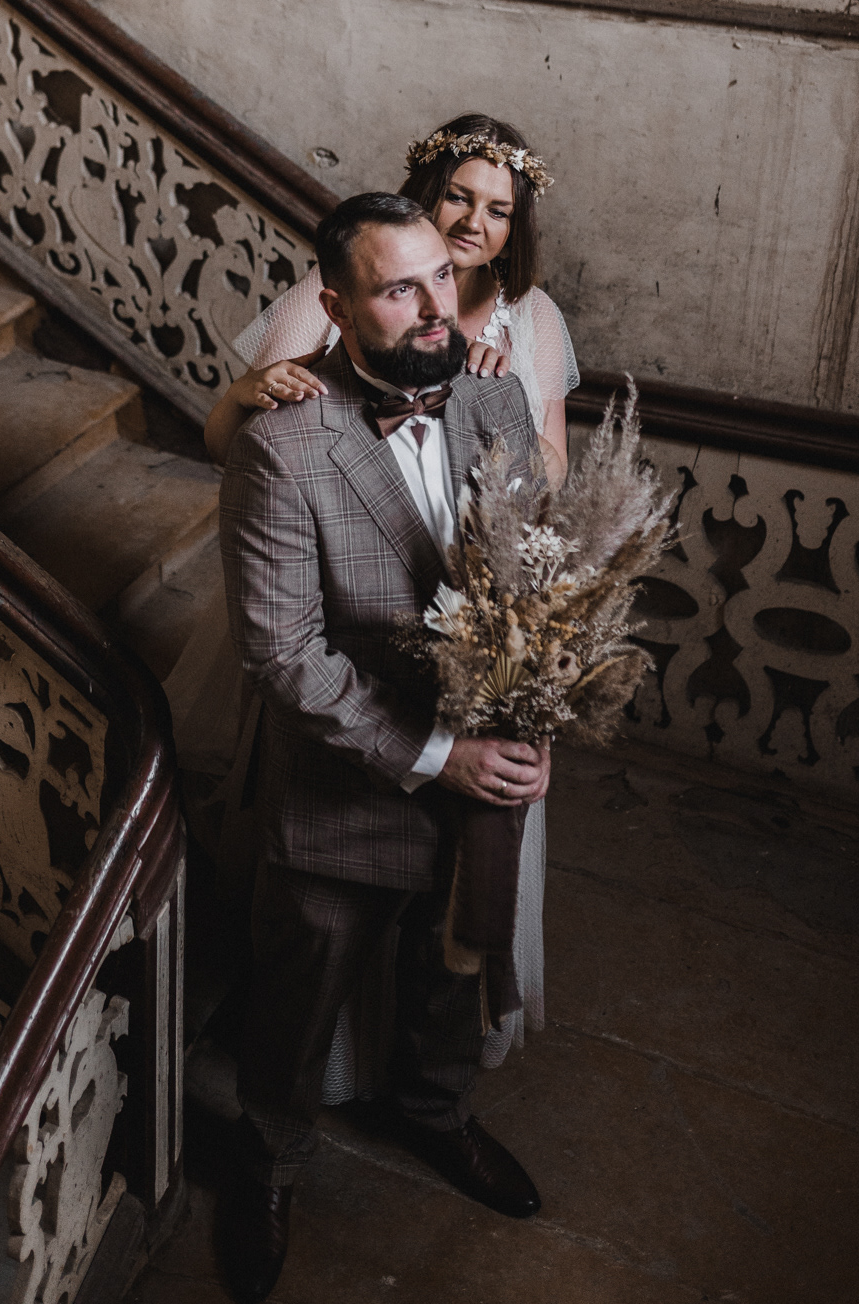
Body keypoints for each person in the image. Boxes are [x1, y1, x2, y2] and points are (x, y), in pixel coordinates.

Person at [215, 193, 549, 1304]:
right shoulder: (282, 444)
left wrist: (536, 718)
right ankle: (267, 1163)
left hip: (486, 771)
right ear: (336, 305)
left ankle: (436, 1113)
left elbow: (539, 583)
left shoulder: (495, 398)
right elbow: (284, 655)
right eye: (398, 289)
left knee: (453, 969)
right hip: (343, 784)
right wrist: (438, 754)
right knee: (300, 996)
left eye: (439, 277)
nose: (432, 307)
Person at [206, 113, 576, 488]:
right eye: (456, 197)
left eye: (497, 212)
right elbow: (237, 449)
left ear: (513, 231)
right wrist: (242, 395)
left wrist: (490, 396)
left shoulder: (534, 313)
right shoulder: (346, 287)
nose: (473, 223)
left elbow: (553, 475)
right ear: (425, 197)